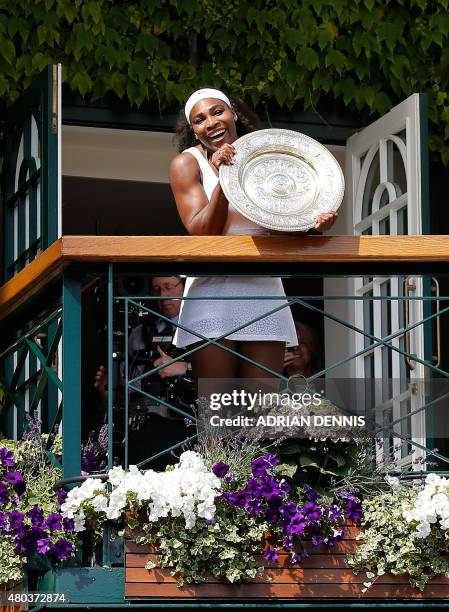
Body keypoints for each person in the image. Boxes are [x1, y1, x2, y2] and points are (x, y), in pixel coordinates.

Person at [169, 88, 337, 379]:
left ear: (233, 113)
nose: (210, 122)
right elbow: (203, 232)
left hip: (264, 288)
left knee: (261, 409)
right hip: (212, 293)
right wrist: (225, 179)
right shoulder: (187, 163)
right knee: (218, 410)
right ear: (195, 132)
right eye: (200, 119)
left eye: (217, 111)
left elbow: (281, 224)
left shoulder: (265, 156)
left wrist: (313, 224)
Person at [94, 276, 195, 467]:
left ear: (185, 286)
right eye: (157, 289)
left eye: (168, 287)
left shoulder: (202, 327)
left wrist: (184, 368)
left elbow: (224, 376)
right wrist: (107, 389)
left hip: (188, 422)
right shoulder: (139, 333)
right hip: (146, 425)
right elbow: (126, 388)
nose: (163, 295)